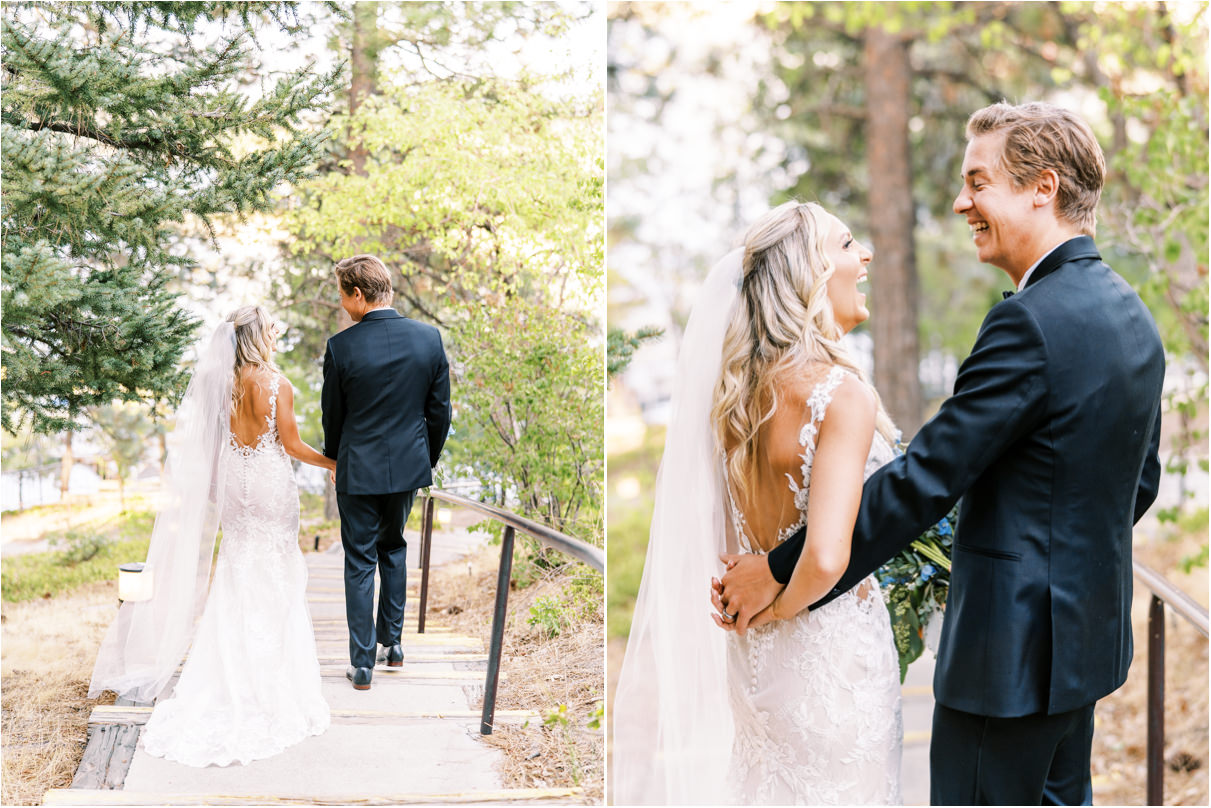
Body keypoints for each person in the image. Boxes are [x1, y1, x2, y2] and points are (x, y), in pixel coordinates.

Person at [715, 102, 1165, 805]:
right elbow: (1137, 484)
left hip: (1005, 662)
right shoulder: (1131, 315)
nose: (961, 203)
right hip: (1084, 650)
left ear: (1041, 187)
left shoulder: (1027, 321)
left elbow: (926, 478)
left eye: (977, 182)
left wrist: (777, 569)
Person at [613, 201, 904, 804]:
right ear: (810, 274)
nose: (865, 255)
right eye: (848, 244)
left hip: (754, 660)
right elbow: (825, 558)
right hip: (831, 657)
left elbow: (726, 532)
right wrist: (776, 611)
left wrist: (760, 617)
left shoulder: (735, 397)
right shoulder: (841, 395)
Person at [90, 305, 335, 767]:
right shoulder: (275, 384)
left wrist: (213, 488)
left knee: (236, 573)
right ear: (258, 337)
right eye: (272, 331)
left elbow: (204, 449)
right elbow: (293, 445)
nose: (276, 337)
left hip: (231, 491)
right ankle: (270, 680)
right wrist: (335, 465)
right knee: (277, 571)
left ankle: (224, 673)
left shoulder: (217, 385)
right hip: (267, 486)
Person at [321, 254, 451, 691]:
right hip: (408, 468)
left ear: (358, 294)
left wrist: (336, 461)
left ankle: (362, 664)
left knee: (359, 560)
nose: (341, 304)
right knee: (393, 547)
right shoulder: (429, 339)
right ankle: (392, 645)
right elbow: (440, 413)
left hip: (357, 469)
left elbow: (332, 418)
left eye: (342, 294)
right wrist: (424, 461)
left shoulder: (341, 346)